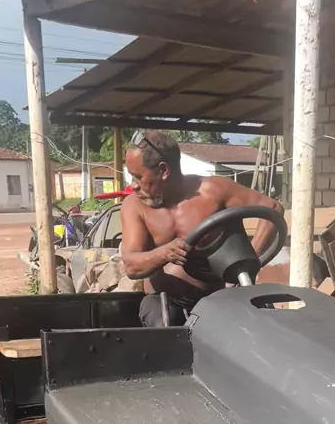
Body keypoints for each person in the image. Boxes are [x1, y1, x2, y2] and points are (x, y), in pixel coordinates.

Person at [121, 131, 284, 327]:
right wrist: (163, 253)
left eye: (138, 177)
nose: (133, 185)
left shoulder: (214, 191)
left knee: (263, 324)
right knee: (160, 319)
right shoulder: (134, 206)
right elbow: (131, 265)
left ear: (163, 170)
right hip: (168, 303)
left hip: (221, 299)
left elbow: (272, 208)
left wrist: (250, 261)